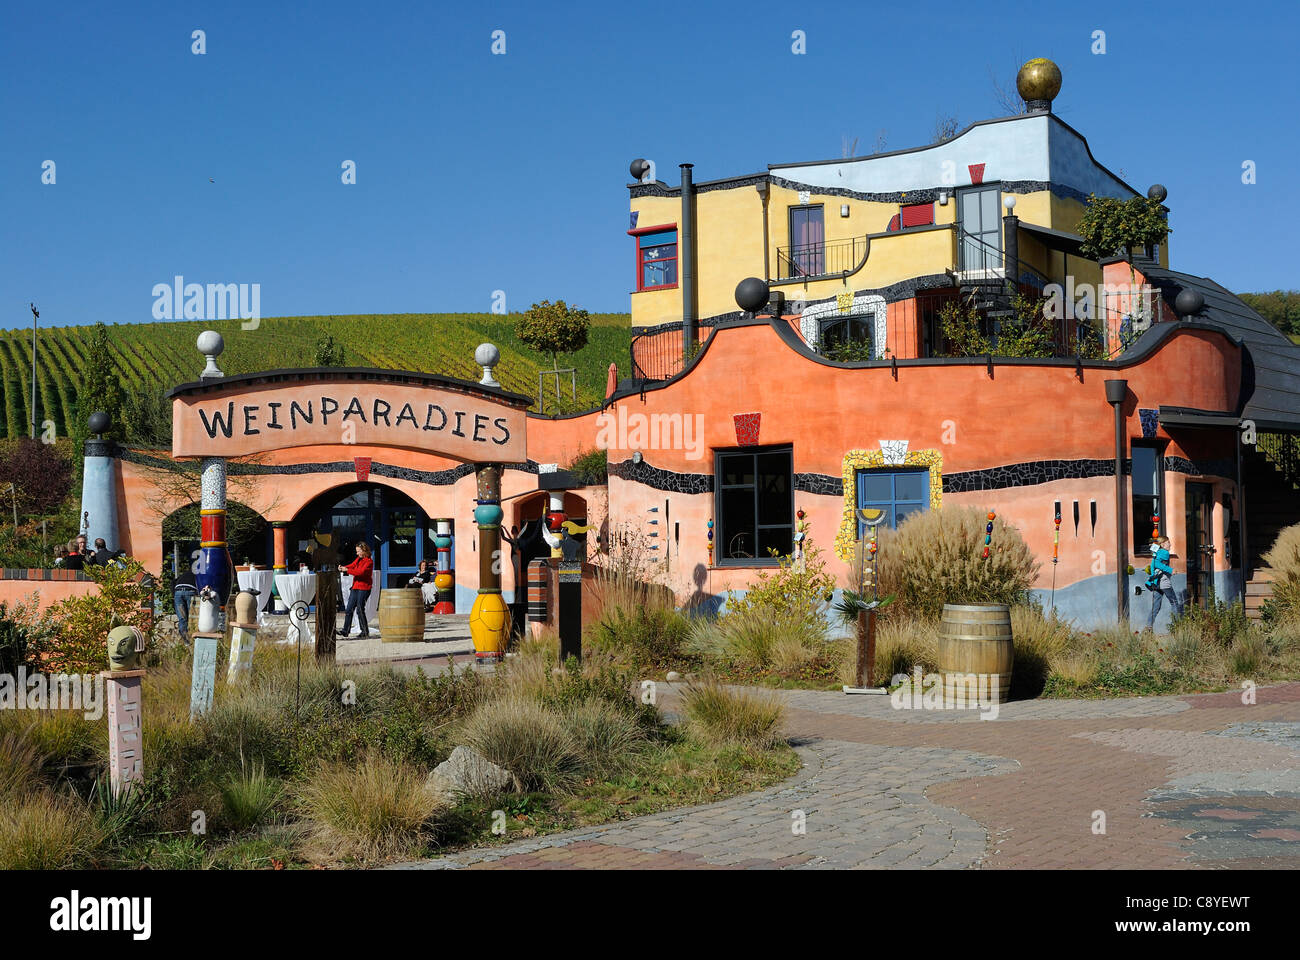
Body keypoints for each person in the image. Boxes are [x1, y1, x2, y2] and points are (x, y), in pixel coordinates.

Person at [1145, 535, 1182, 630]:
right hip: (1164, 582)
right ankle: (1177, 627)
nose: (1170, 544)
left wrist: (1154, 577)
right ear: (1162, 544)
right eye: (1168, 542)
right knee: (1174, 603)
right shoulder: (1164, 552)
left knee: (1156, 606)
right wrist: (1170, 570)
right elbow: (1158, 564)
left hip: (1157, 583)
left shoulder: (1157, 553)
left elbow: (1154, 565)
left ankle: (1148, 627)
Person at [338, 542, 374, 638]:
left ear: (364, 550)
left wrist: (347, 570)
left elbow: (360, 572)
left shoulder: (369, 562)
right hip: (355, 587)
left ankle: (365, 631)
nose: (357, 553)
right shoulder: (359, 559)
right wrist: (343, 567)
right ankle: (345, 631)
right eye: (356, 551)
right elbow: (352, 565)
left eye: (358, 551)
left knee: (359, 609)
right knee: (349, 609)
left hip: (364, 588)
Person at [173, 567, 198, 643]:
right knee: (192, 617)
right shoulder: (199, 575)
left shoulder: (184, 574)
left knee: (182, 618)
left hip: (178, 593)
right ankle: (193, 640)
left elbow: (173, 582)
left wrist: (174, 594)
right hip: (190, 591)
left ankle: (186, 642)